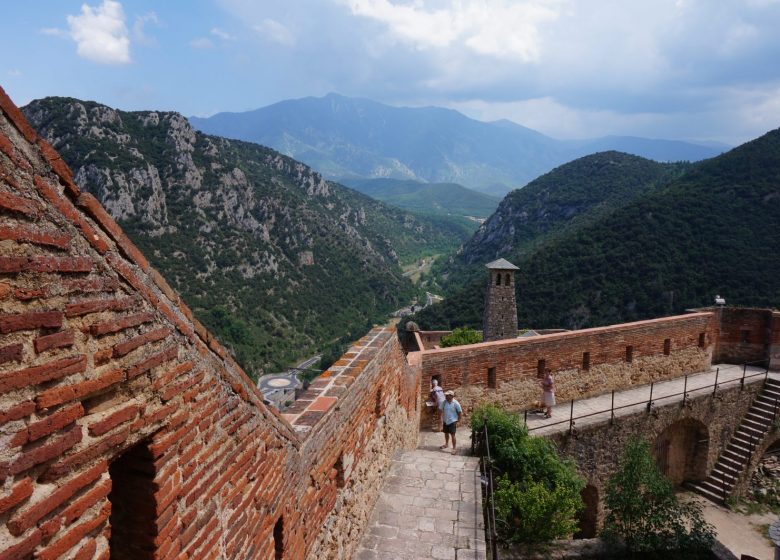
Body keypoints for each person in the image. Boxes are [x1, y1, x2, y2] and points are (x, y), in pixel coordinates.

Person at [439, 390, 462, 454]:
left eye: (447, 395)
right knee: (446, 433)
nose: (446, 396)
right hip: (446, 420)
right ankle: (446, 444)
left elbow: (460, 412)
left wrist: (459, 421)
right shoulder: (444, 402)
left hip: (453, 421)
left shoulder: (456, 403)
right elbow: (440, 410)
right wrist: (441, 419)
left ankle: (454, 448)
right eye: (446, 395)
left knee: (452, 435)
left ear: (451, 396)